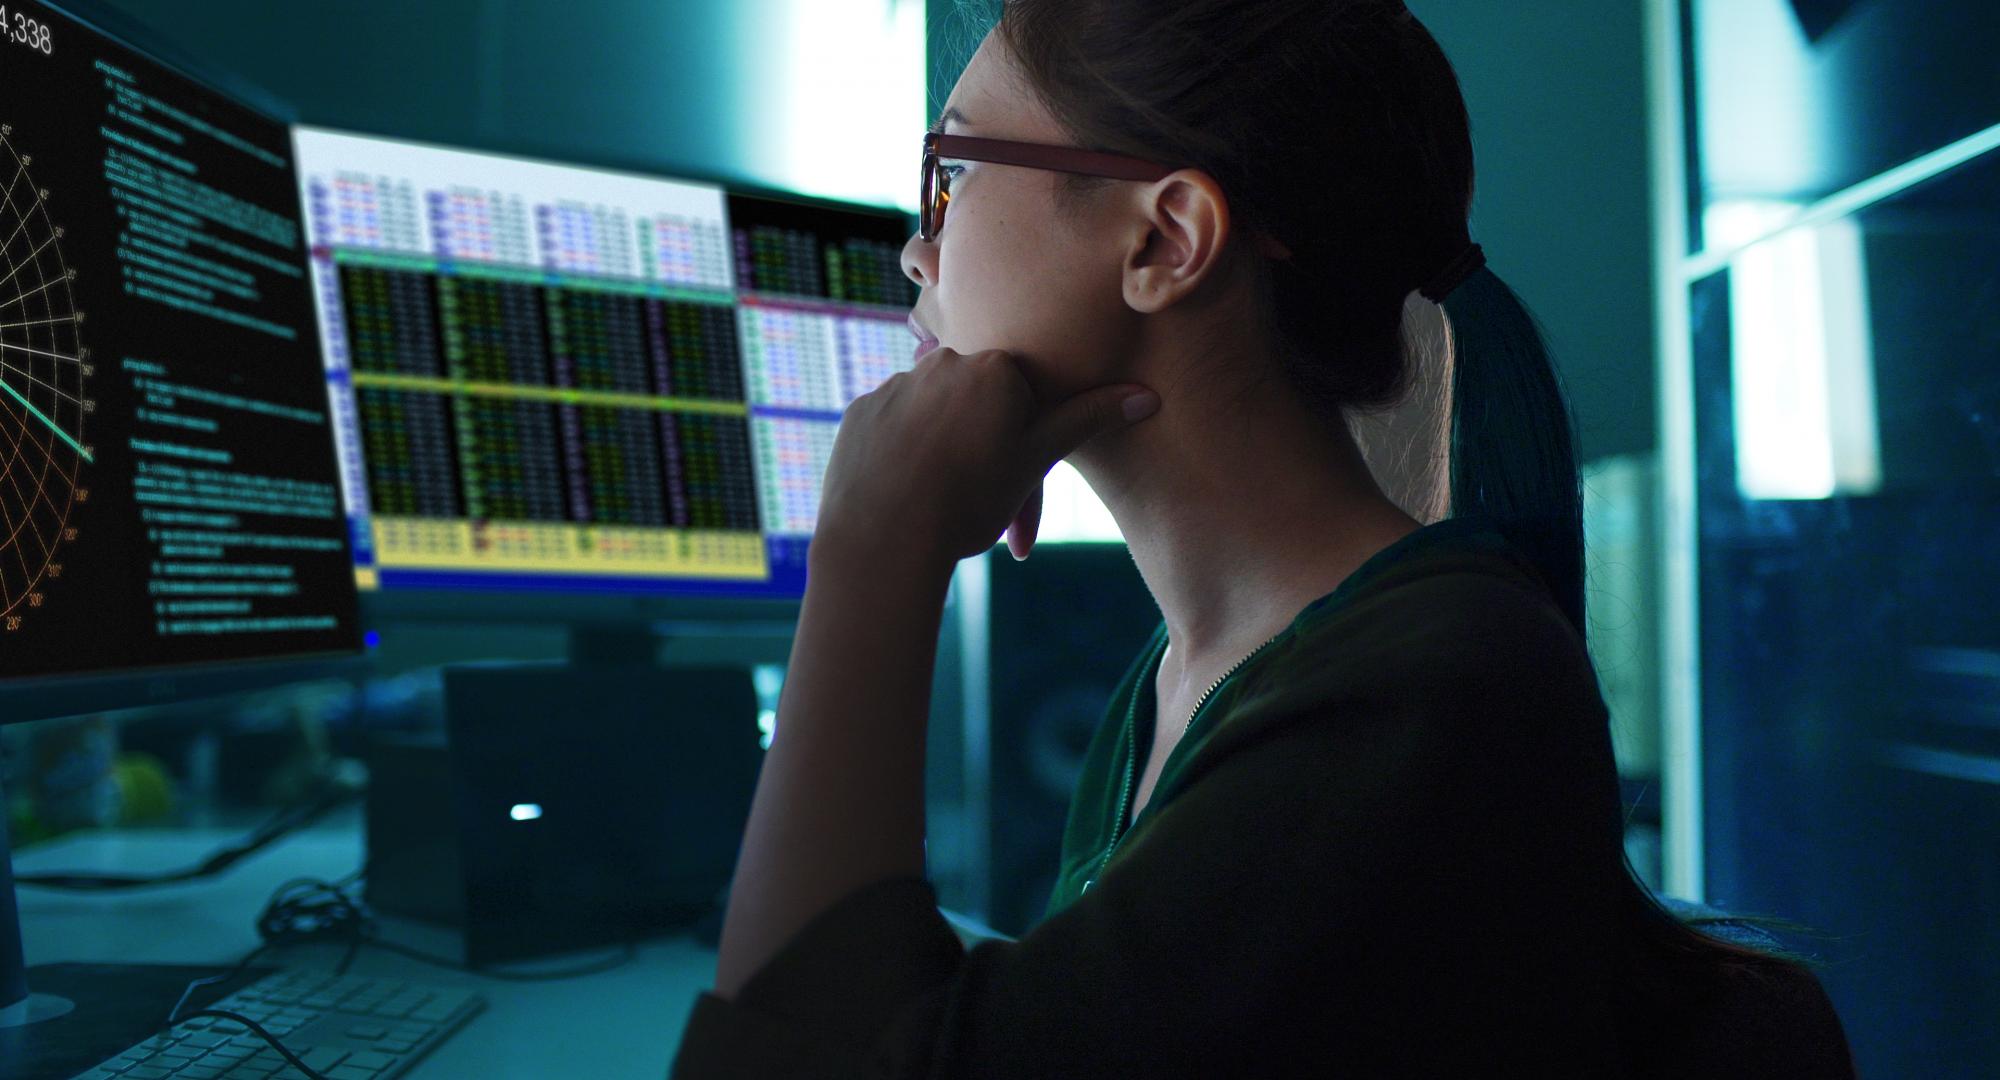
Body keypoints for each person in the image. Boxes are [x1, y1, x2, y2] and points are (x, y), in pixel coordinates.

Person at [672, 1, 1856, 1075]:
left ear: (1164, 239)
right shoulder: (1186, 676)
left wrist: (875, 544)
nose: (914, 249)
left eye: (951, 171)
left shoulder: (1435, 686)